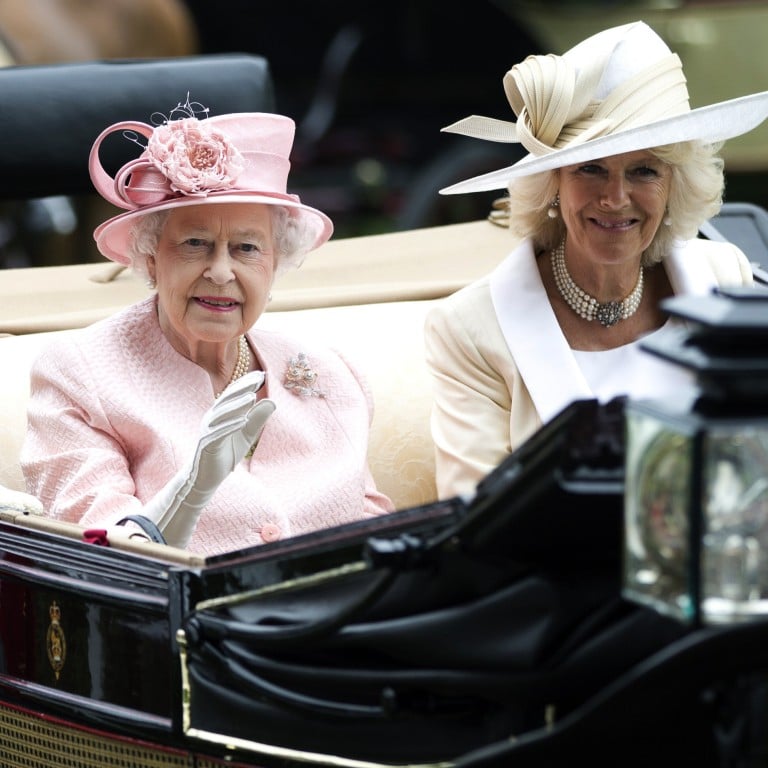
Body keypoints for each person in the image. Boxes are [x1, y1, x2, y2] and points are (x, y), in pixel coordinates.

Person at [21, 99, 393, 555]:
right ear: (151, 256)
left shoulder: (331, 372)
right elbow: (101, 550)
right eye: (196, 243)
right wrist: (184, 497)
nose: (221, 271)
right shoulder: (80, 375)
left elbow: (378, 531)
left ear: (276, 262)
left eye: (247, 248)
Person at [424, 21, 768, 500]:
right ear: (553, 184)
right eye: (591, 168)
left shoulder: (726, 277)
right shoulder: (469, 329)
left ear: (675, 187)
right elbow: (474, 519)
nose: (616, 197)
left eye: (644, 170)